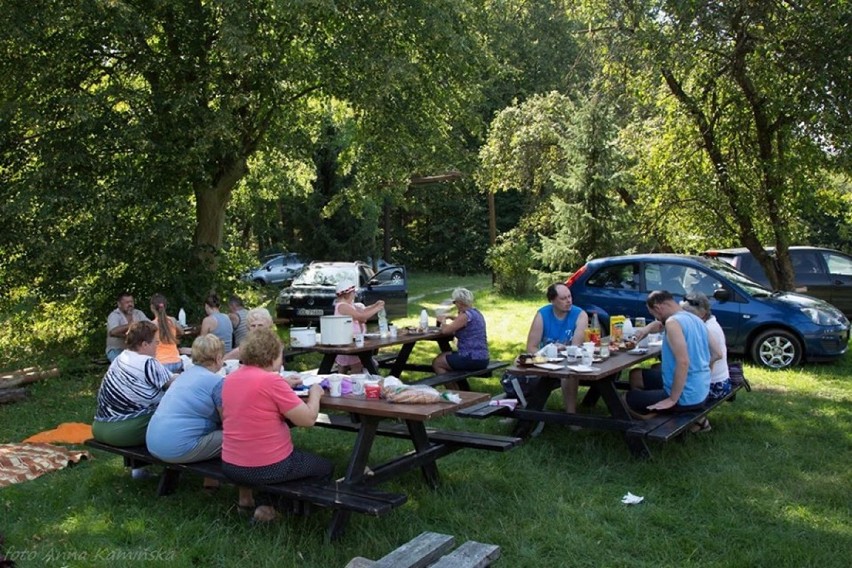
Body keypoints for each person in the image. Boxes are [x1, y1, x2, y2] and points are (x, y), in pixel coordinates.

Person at [221, 328, 333, 524]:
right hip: (267, 467)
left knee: (289, 464)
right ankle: (279, 509)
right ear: (272, 356)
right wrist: (315, 393)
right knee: (324, 468)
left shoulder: (230, 379)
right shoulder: (271, 380)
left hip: (231, 464)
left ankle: (265, 501)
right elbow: (307, 420)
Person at [93, 321, 174, 478]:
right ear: (144, 344)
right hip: (123, 431)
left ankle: (139, 470)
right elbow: (175, 387)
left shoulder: (120, 358)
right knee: (176, 414)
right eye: (155, 342)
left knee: (140, 407)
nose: (157, 346)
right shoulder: (148, 362)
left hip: (100, 427)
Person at [625, 290, 713, 422]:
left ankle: (653, 419)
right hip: (701, 390)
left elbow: (683, 362)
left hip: (686, 397)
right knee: (636, 375)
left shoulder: (673, 323)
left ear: (658, 308)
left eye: (654, 314)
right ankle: (652, 408)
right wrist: (645, 330)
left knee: (623, 400)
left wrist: (672, 399)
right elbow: (659, 325)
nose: (657, 318)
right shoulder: (695, 319)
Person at [525, 283, 589, 414]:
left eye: (570, 296)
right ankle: (522, 410)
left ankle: (571, 415)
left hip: (570, 361)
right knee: (521, 372)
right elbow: (531, 347)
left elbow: (576, 347)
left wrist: (564, 348)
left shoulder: (580, 314)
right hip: (546, 361)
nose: (569, 301)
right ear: (552, 300)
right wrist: (544, 356)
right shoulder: (542, 314)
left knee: (570, 374)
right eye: (563, 298)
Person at [681, 292, 731, 429]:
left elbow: (716, 355)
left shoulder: (708, 329)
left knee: (670, 384)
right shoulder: (708, 323)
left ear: (702, 314)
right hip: (718, 381)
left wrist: (703, 380)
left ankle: (699, 422)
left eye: (689, 315)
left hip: (716, 385)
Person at [432, 287, 489, 374]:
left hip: (471, 358)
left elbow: (445, 331)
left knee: (438, 362)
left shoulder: (465, 316)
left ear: (460, 303)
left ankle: (451, 387)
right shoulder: (476, 313)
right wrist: (452, 317)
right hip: (482, 358)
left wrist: (442, 321)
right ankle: (455, 386)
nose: (455, 304)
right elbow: (464, 323)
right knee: (444, 355)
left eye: (455, 302)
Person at [333, 282, 384, 374]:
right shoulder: (342, 306)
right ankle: (353, 385)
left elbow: (363, 311)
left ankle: (348, 385)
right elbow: (362, 317)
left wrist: (375, 305)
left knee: (355, 364)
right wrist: (377, 309)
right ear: (346, 294)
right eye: (353, 293)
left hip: (354, 341)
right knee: (354, 366)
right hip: (347, 342)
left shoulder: (349, 305)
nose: (354, 295)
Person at [105, 292, 149, 362]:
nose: (130, 304)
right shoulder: (114, 315)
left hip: (136, 349)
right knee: (121, 366)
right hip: (117, 349)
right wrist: (132, 325)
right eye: (127, 302)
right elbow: (112, 332)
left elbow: (150, 325)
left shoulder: (138, 313)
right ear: (119, 304)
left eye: (131, 302)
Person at [149, 293, 184, 373]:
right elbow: (181, 332)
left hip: (161, 363)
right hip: (176, 361)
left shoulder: (152, 325)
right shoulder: (172, 320)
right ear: (165, 306)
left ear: (152, 307)